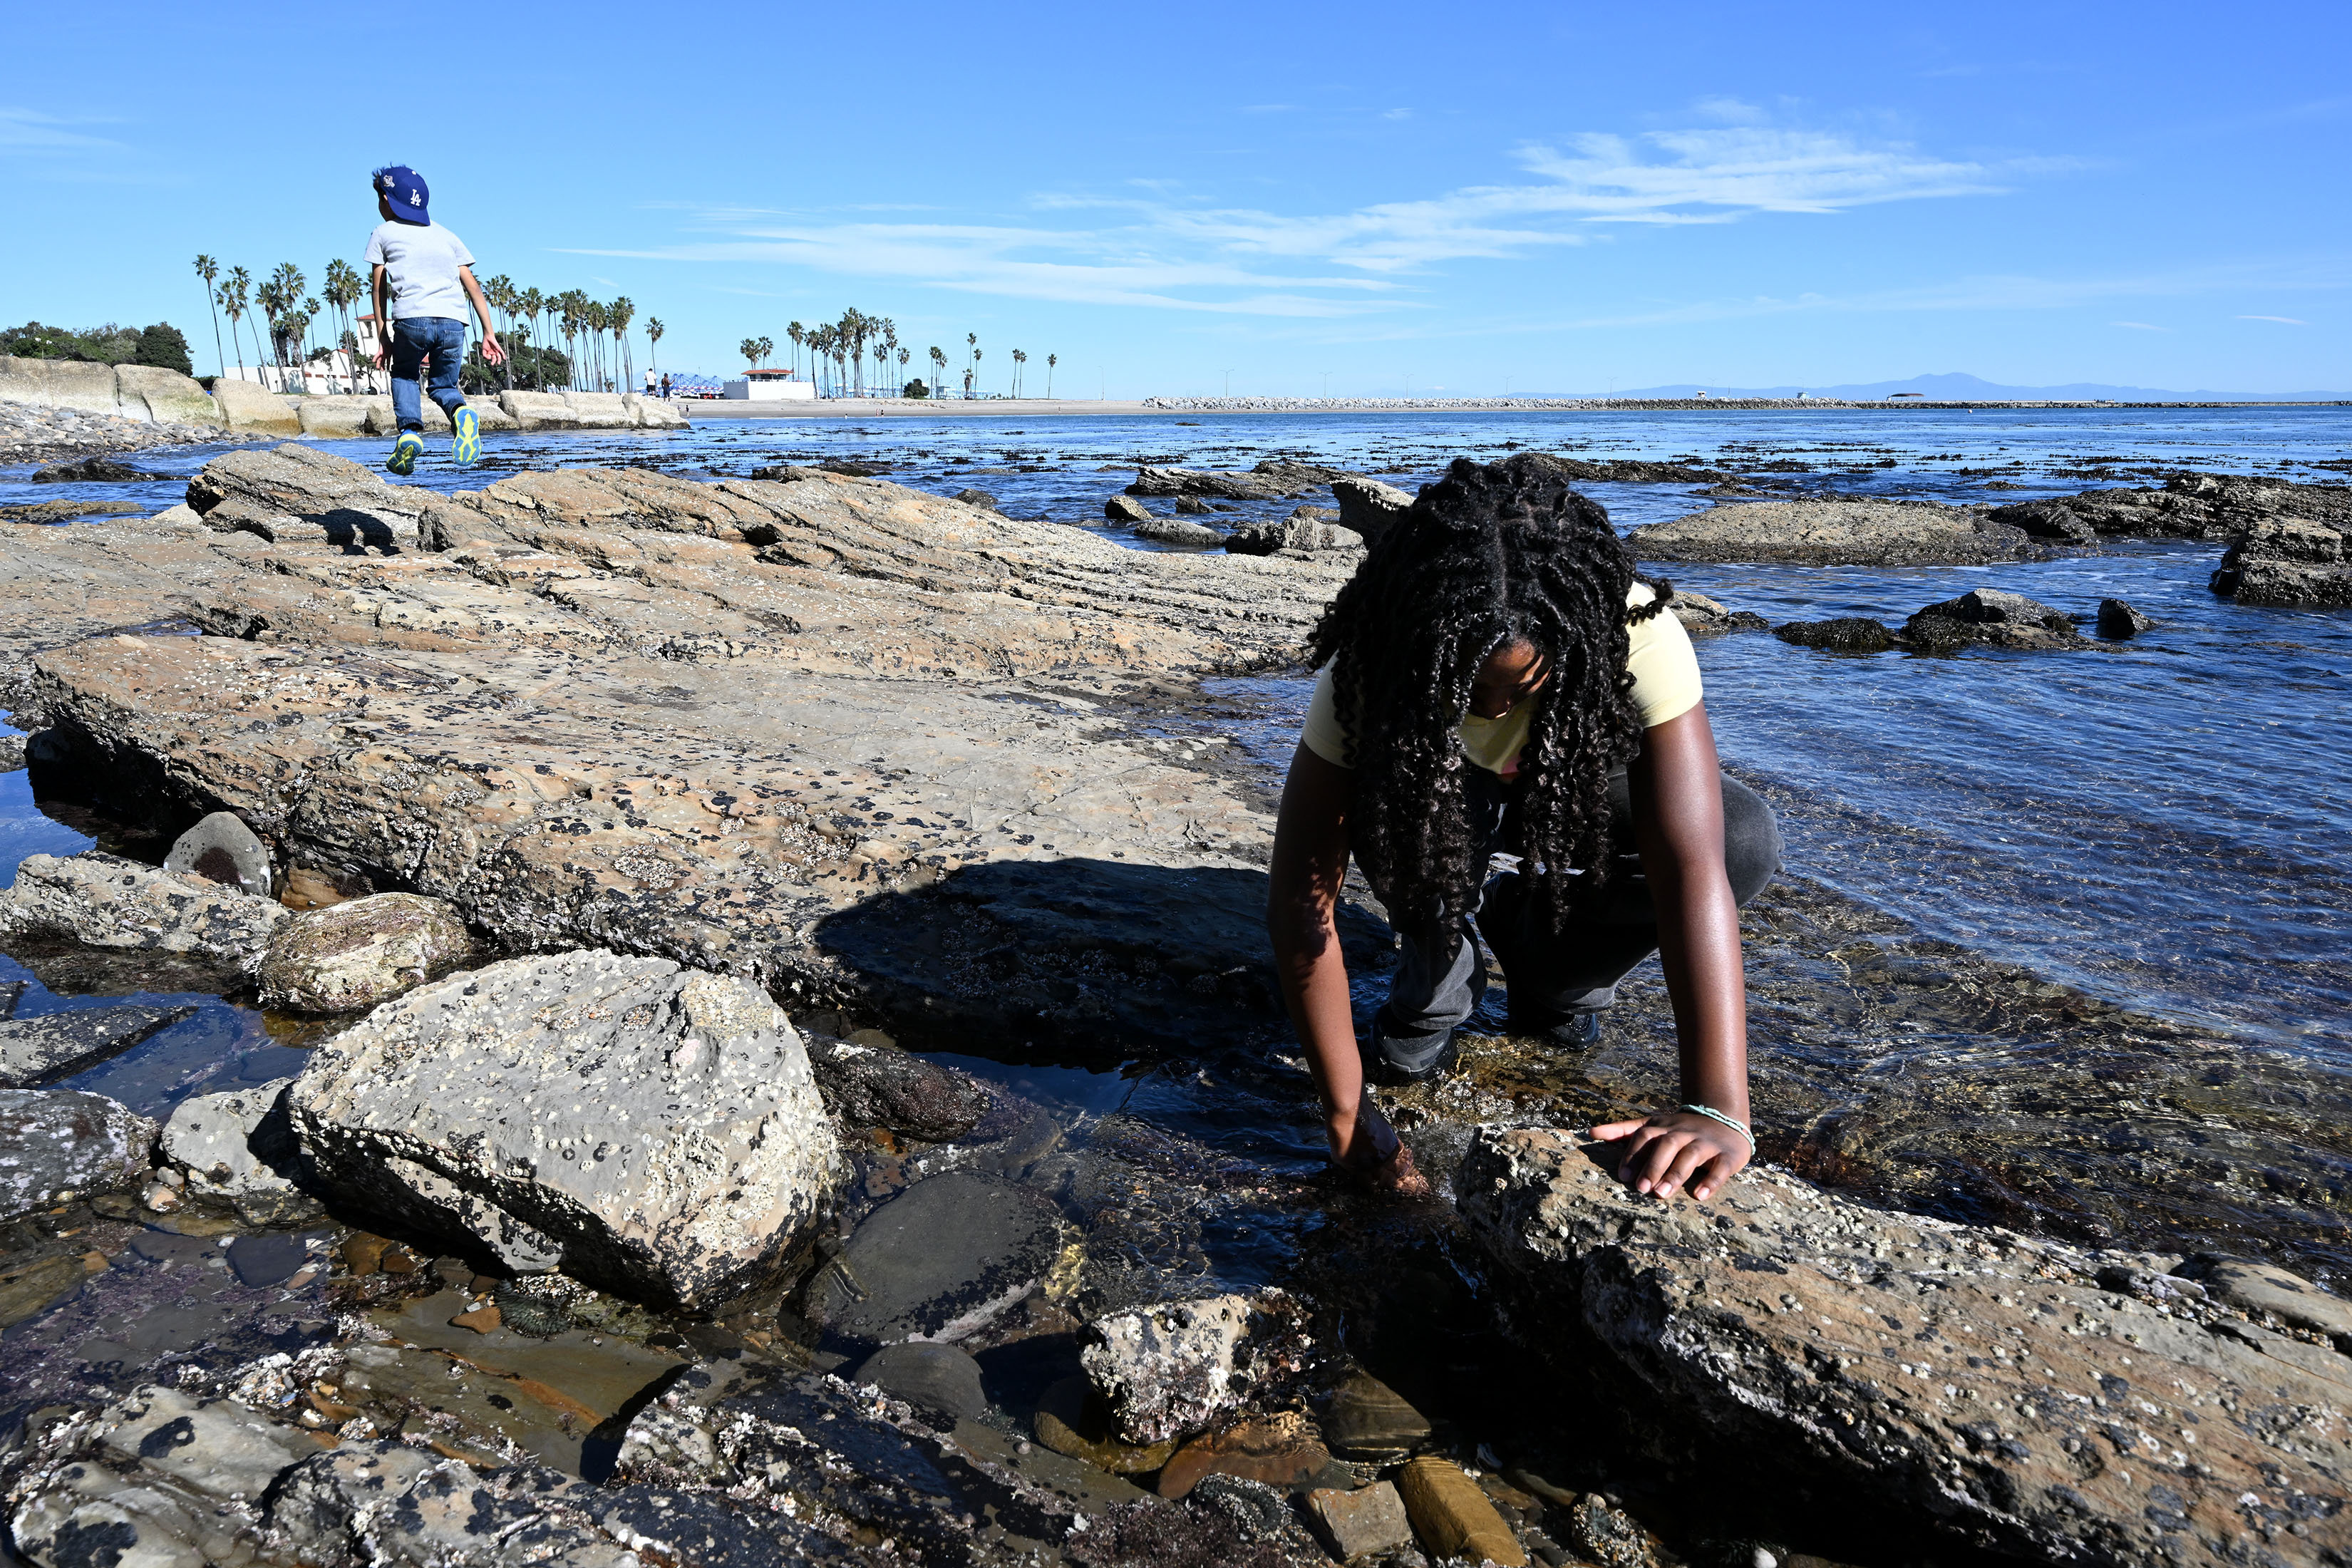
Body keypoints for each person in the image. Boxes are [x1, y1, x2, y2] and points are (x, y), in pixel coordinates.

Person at [1267, 455, 1781, 1202]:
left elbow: (1691, 865)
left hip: (1572, 775)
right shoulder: (1378, 659)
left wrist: (1718, 1105)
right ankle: (1440, 970)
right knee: (1416, 1043)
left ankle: (1552, 963)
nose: (1498, 711)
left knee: (1745, 838)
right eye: (1473, 688)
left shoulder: (1632, 629)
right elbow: (1300, 897)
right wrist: (1345, 1111)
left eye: (1525, 686)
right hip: (1427, 783)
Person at [365, 165, 504, 475]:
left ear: (385, 200)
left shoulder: (383, 232)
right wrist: (488, 331)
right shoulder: (447, 235)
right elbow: (473, 286)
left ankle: (411, 433)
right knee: (443, 385)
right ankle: (462, 416)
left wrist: (383, 335)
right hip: (455, 322)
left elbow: (379, 287)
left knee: (404, 375)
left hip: (412, 320)